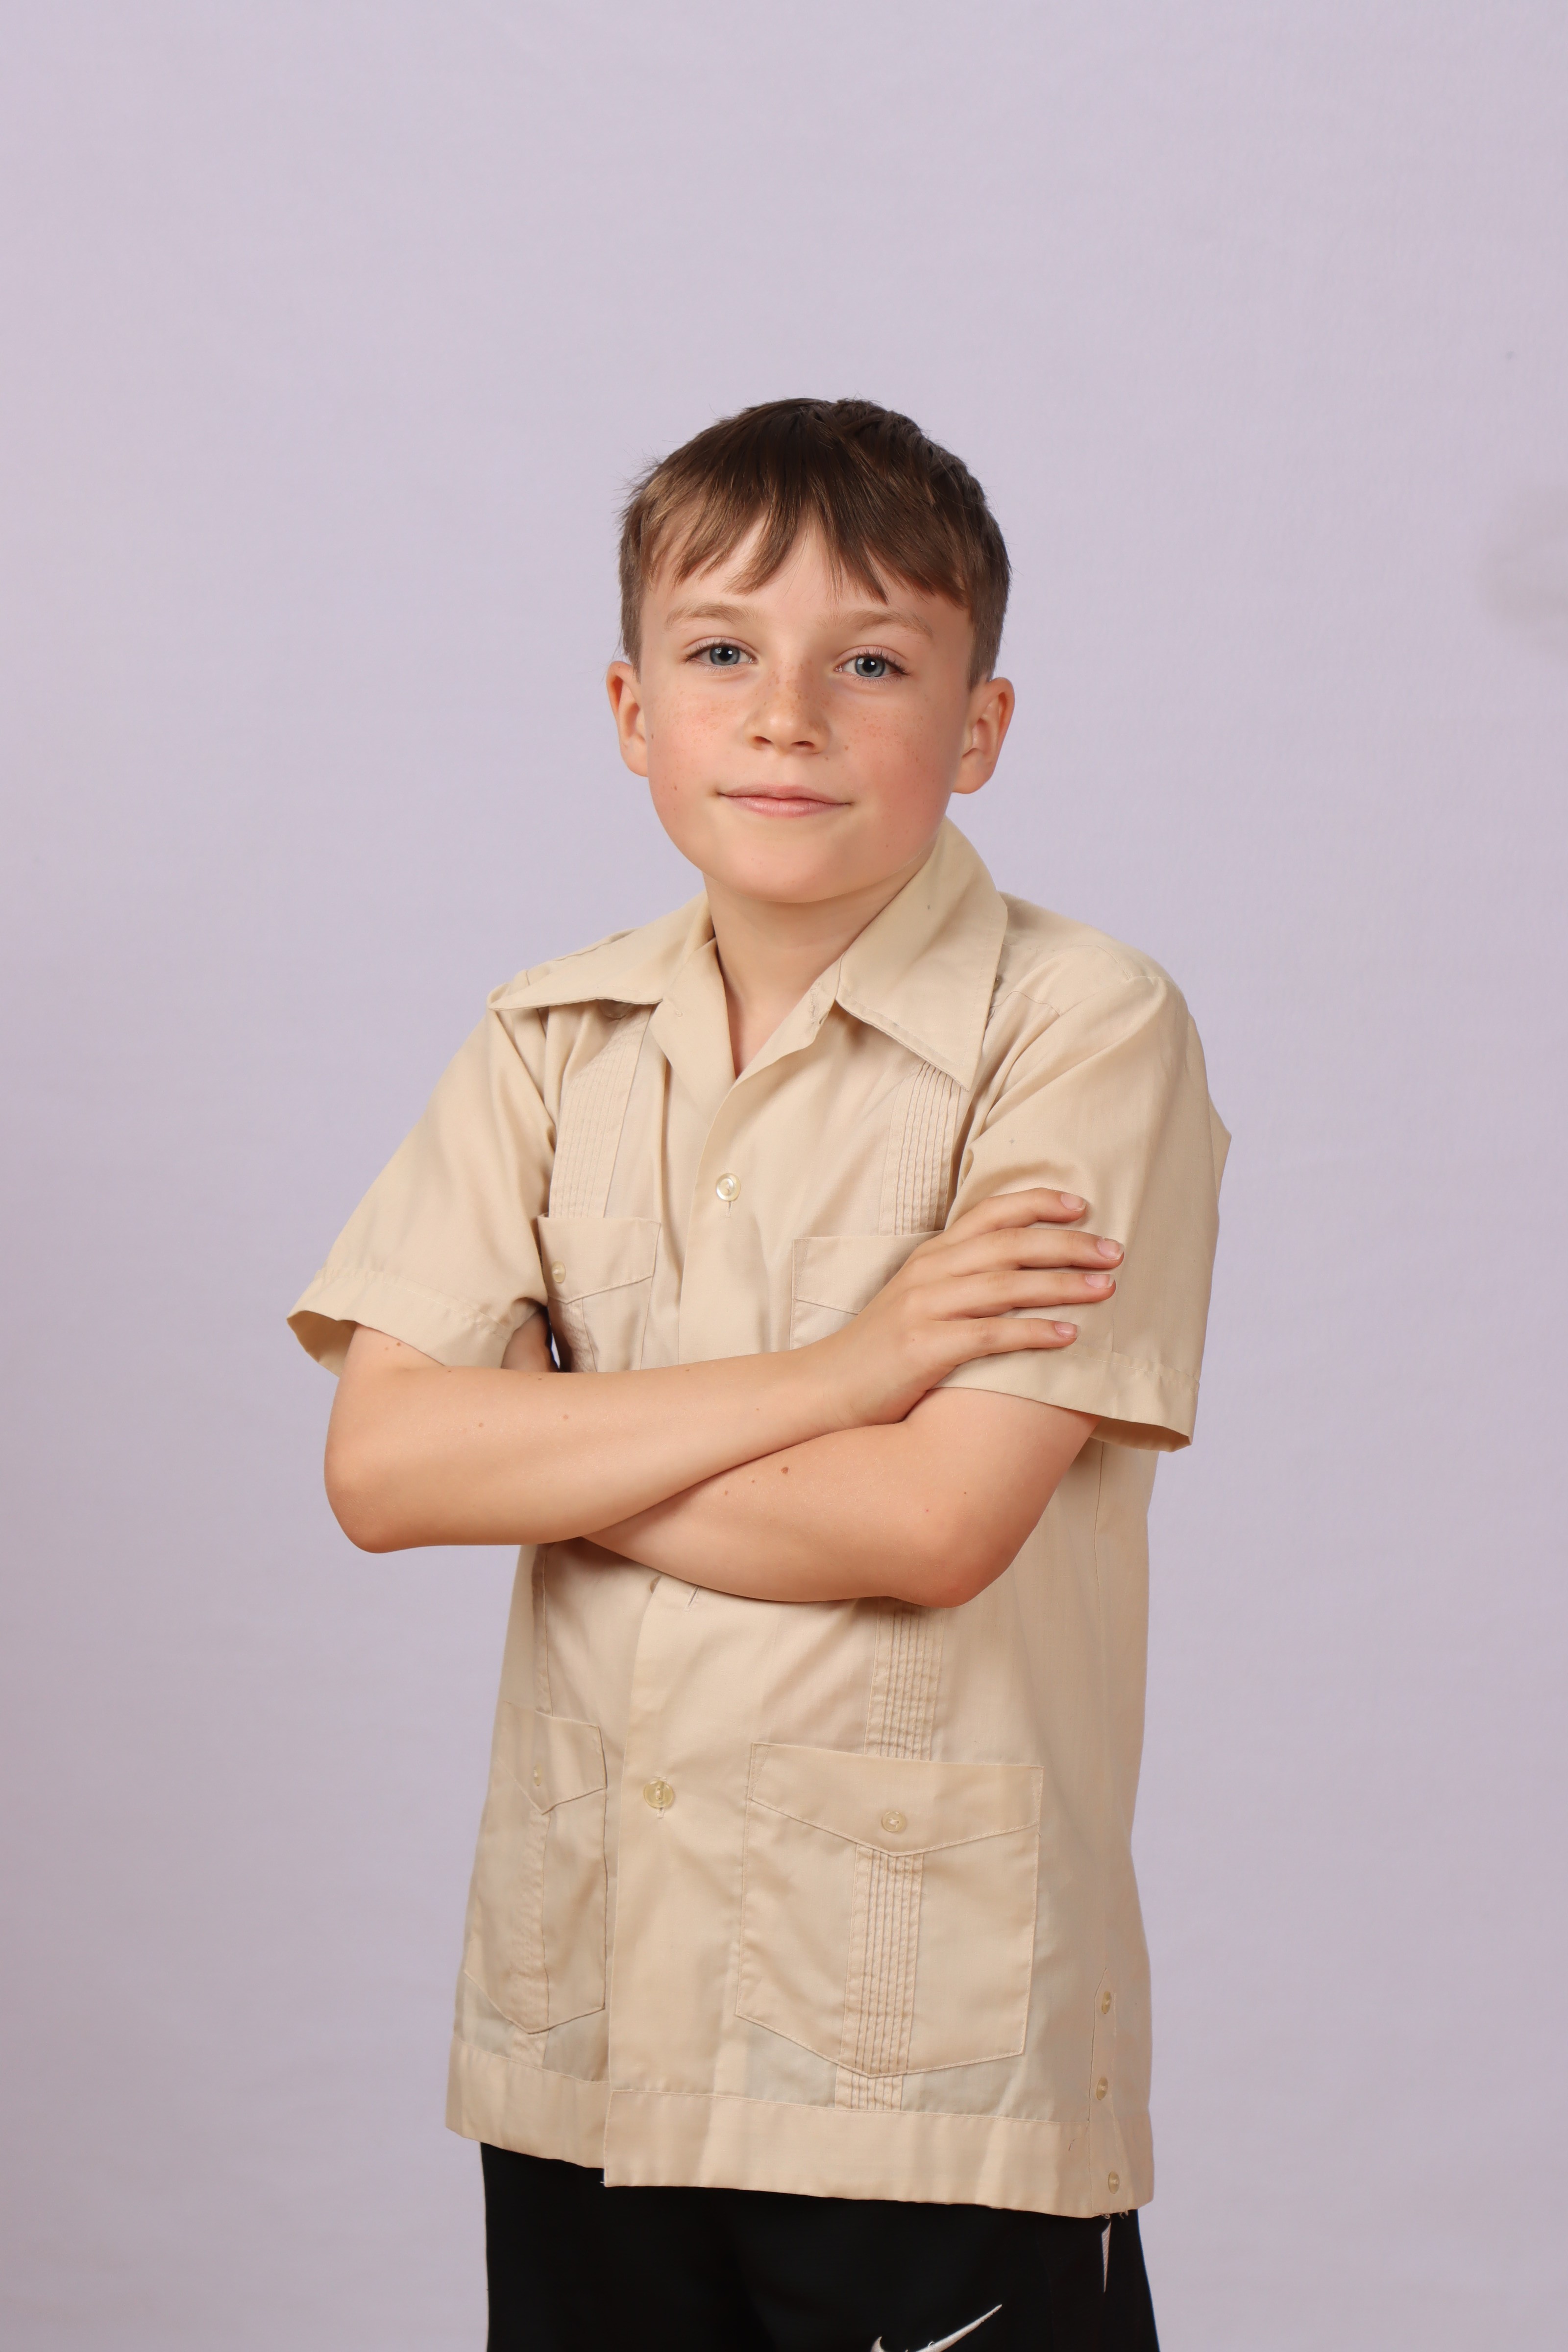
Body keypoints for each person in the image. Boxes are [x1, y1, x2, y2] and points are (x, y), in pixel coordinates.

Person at [289, 397, 1228, 2351]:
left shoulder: (1079, 1030)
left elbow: (931, 1520)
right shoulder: (546, 1041)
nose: (784, 717)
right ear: (633, 710)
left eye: (869, 663)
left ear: (977, 725)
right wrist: (852, 1367)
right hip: (584, 2029)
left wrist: (539, 1441)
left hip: (913, 2059)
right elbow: (380, 1473)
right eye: (722, 651)